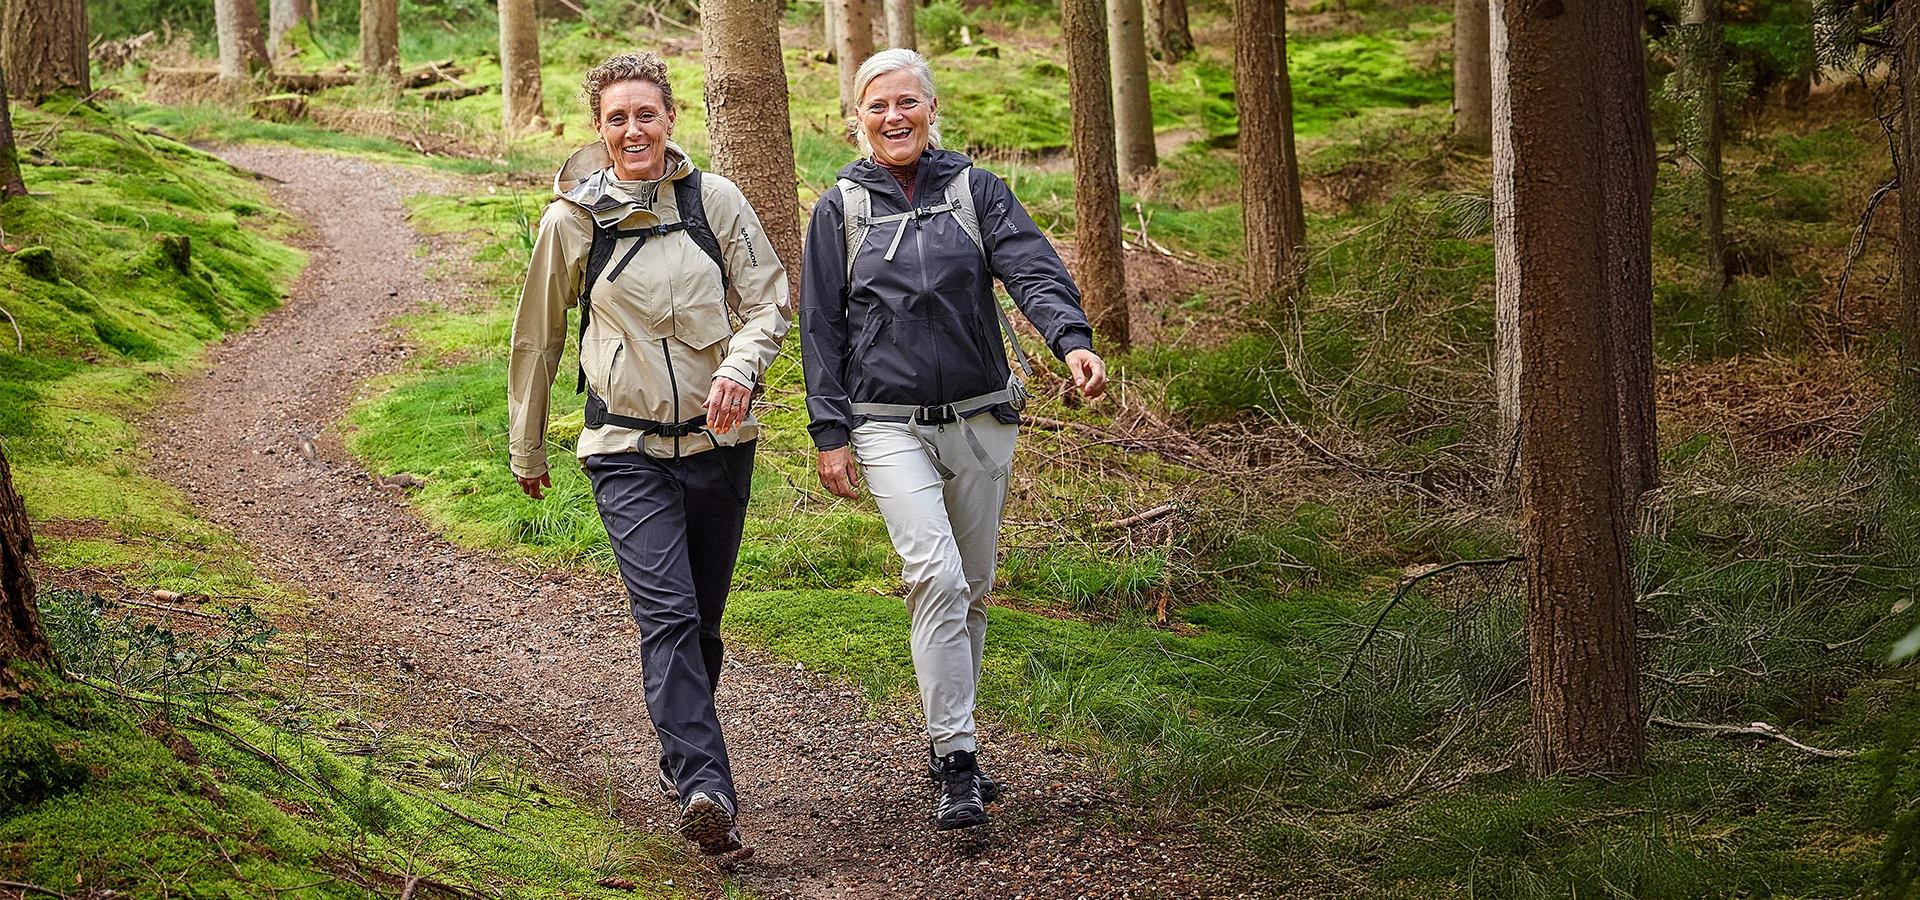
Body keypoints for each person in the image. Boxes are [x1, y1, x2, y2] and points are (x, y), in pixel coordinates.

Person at [799, 48, 1108, 831]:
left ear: (931, 109)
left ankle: (948, 744)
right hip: (886, 423)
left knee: (970, 586)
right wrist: (829, 431)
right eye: (877, 107)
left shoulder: (977, 190)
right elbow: (822, 328)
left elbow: (1031, 268)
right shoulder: (840, 206)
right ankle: (959, 758)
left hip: (980, 416)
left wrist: (1069, 339)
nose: (894, 118)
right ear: (858, 119)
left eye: (907, 102)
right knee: (933, 574)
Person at [506, 51, 789, 855]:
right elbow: (538, 339)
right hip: (623, 446)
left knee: (701, 625)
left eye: (647, 114)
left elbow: (769, 299)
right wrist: (529, 446)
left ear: (671, 118)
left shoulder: (714, 200)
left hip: (721, 443)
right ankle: (707, 787)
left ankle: (681, 758)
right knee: (665, 615)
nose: (634, 129)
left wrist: (738, 369)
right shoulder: (571, 222)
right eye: (617, 118)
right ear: (597, 130)